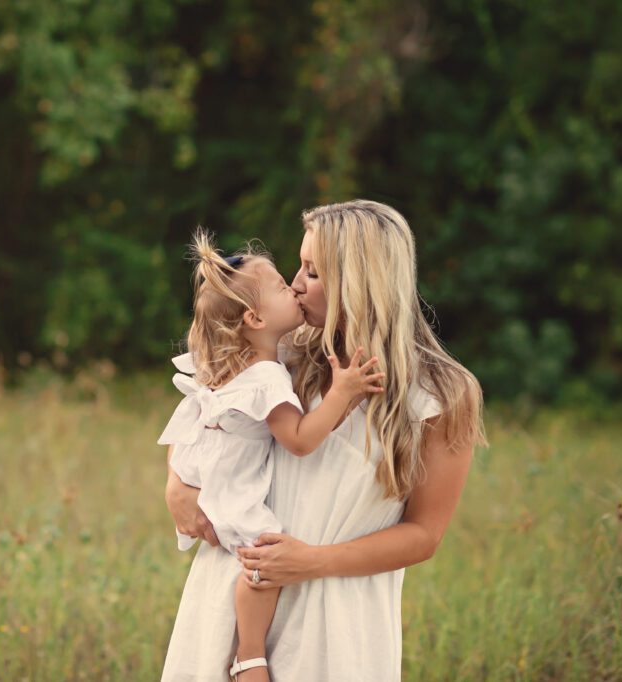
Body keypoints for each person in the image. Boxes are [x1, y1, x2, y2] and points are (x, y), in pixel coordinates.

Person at [162, 200, 488, 681]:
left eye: (312, 272)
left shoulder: (441, 394)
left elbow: (424, 535)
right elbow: (203, 413)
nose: (295, 283)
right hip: (236, 590)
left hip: (338, 620)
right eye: (298, 265)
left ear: (359, 281)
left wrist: (312, 562)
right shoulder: (278, 355)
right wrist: (176, 485)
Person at [158, 227, 387, 681]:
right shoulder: (267, 377)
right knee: (262, 559)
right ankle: (250, 656)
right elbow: (300, 440)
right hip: (233, 491)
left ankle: (246, 652)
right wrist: (344, 394)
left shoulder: (241, 362)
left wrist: (180, 474)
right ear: (256, 320)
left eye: (308, 273)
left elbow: (194, 414)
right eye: (285, 284)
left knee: (255, 561)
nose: (296, 286)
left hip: (214, 477)